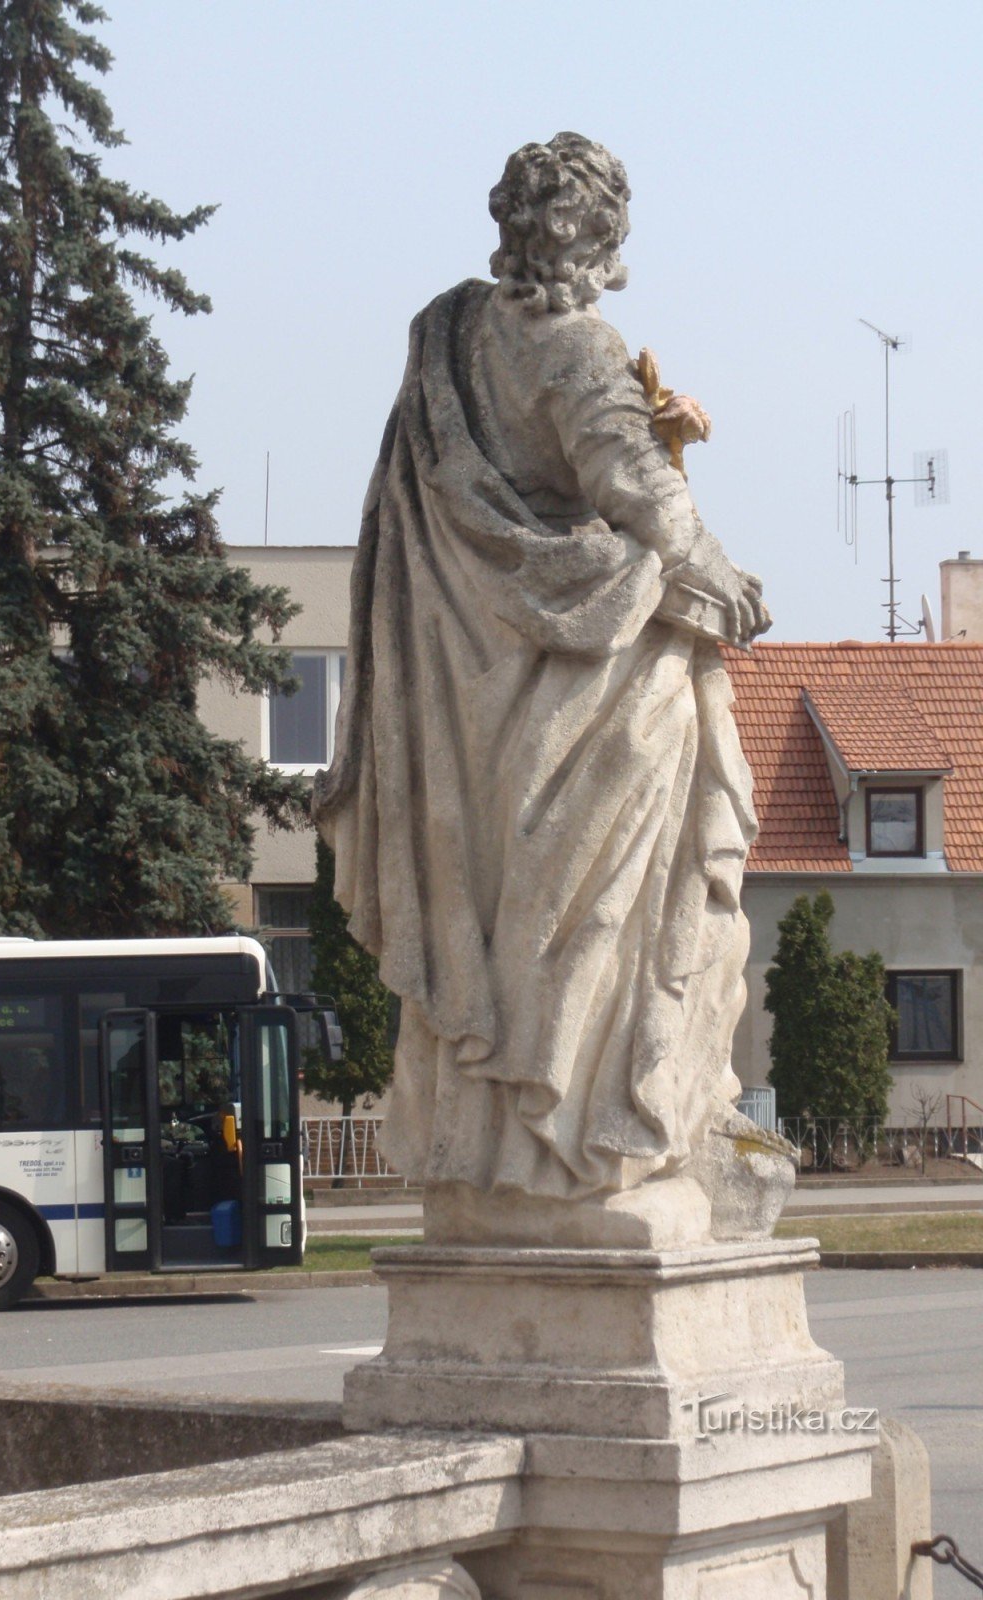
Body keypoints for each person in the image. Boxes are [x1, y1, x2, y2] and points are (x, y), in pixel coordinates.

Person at [313, 134, 770, 1236]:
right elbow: (637, 501)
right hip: (593, 688)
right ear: (608, 238)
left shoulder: (448, 337)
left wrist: (663, 452)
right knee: (610, 911)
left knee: (517, 912)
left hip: (474, 688)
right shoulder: (580, 349)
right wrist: (737, 589)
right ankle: (589, 1138)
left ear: (509, 224)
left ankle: (500, 1154)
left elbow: (546, 488)